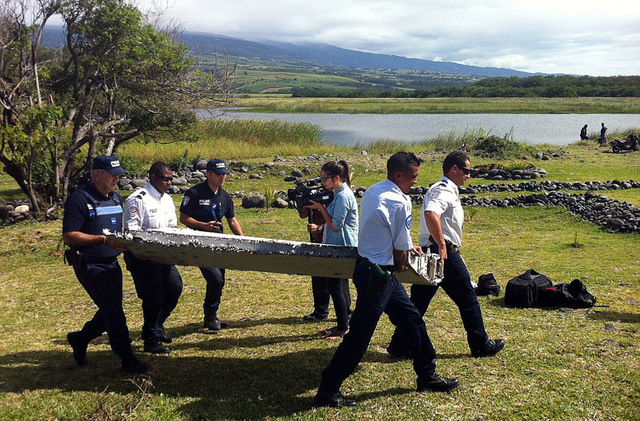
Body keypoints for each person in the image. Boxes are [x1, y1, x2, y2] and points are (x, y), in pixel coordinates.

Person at [314, 152, 459, 408]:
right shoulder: (399, 202)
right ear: (399, 175)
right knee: (359, 335)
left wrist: (402, 247)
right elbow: (399, 255)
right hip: (378, 275)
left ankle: (427, 374)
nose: (416, 182)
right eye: (413, 177)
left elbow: (385, 233)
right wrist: (405, 256)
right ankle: (328, 389)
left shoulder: (374, 190)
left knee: (412, 320)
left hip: (371, 269)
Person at [387, 151, 505, 359]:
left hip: (436, 250)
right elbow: (431, 213)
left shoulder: (448, 190)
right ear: (454, 169)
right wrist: (442, 245)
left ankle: (399, 345)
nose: (468, 176)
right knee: (468, 299)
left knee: (418, 303)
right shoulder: (442, 190)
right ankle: (480, 344)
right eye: (466, 171)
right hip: (442, 252)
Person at [62, 155, 149, 374]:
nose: (116, 180)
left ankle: (80, 338)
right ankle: (126, 358)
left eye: (118, 176)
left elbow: (116, 232)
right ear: (96, 174)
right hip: (90, 263)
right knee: (114, 312)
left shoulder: (116, 199)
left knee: (109, 310)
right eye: (112, 175)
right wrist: (102, 240)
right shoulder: (79, 199)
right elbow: (69, 235)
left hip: (111, 262)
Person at [124, 162, 183, 354]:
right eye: (166, 178)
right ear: (153, 177)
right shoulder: (138, 199)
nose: (169, 182)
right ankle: (151, 339)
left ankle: (156, 326)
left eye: (171, 179)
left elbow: (172, 227)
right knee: (153, 297)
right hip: (144, 257)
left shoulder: (166, 199)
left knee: (174, 288)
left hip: (164, 256)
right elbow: (132, 232)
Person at [179, 158, 244, 331]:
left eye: (224, 174)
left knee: (220, 280)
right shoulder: (194, 193)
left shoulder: (225, 195)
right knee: (214, 278)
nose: (222, 177)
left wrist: (244, 239)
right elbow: (183, 218)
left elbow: (232, 219)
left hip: (219, 244)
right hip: (199, 244)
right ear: (208, 174)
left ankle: (211, 315)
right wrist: (203, 226)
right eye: (219, 174)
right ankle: (210, 315)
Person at [304, 160, 357, 339]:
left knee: (336, 286)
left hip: (342, 245)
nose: (322, 182)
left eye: (325, 178)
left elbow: (335, 225)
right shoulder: (337, 192)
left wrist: (320, 208)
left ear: (336, 178)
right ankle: (341, 323)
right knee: (333, 286)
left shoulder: (343, 196)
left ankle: (344, 326)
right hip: (335, 244)